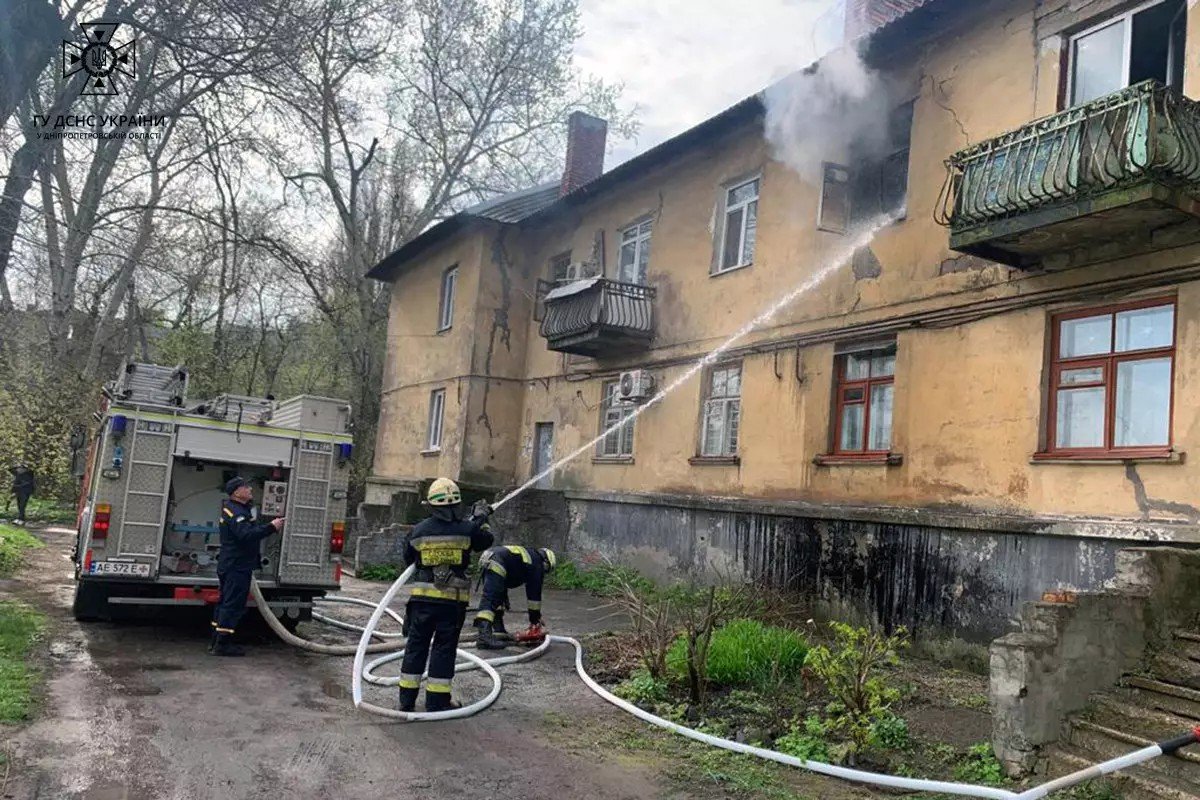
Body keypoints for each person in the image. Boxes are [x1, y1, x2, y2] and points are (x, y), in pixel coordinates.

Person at [397, 478, 494, 712]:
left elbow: (408, 557)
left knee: (415, 648)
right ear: (457, 504)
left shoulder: (418, 531)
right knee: (443, 649)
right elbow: (485, 540)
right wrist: (482, 519)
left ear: (431, 505)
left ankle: (406, 701)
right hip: (451, 604)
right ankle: (436, 703)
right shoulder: (467, 529)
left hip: (421, 602)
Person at [210, 477, 284, 657]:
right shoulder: (236, 512)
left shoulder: (235, 509)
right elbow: (246, 535)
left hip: (231, 563)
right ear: (236, 492)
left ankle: (216, 639)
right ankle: (223, 645)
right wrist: (271, 527)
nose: (250, 489)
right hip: (236, 565)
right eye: (245, 487)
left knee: (225, 603)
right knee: (232, 605)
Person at [472, 545, 557, 650]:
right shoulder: (537, 562)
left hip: (489, 558)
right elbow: (534, 597)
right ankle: (484, 637)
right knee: (490, 600)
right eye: (546, 569)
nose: (543, 572)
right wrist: (535, 619)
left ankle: (499, 632)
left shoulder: (529, 555)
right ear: (546, 561)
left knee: (498, 599)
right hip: (497, 561)